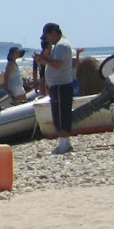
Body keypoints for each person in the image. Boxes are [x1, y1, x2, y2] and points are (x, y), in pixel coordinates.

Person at [34, 22, 77, 154]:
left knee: (61, 115)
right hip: (58, 85)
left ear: (53, 32)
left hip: (60, 85)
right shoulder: (59, 46)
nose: (48, 40)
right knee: (60, 114)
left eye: (47, 36)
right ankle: (64, 143)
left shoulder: (62, 45)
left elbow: (57, 64)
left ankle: (64, 144)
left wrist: (43, 59)